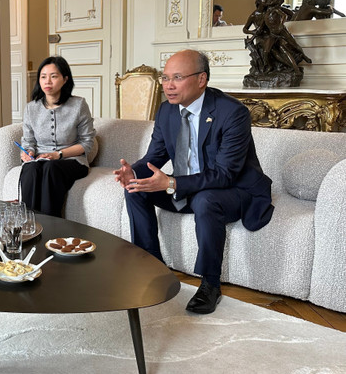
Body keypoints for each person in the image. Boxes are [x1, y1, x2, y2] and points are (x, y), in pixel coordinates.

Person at [112, 49, 274, 314]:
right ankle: (152, 267)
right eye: (165, 77)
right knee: (136, 188)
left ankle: (211, 284)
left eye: (177, 77)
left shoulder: (233, 113)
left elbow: (225, 174)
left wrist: (172, 183)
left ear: (201, 79)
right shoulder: (167, 111)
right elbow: (155, 155)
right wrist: (134, 171)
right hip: (188, 185)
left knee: (206, 199)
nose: (168, 85)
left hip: (235, 190)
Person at [18, 56, 96, 217]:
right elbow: (28, 141)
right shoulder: (31, 108)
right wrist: (28, 152)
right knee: (30, 169)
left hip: (72, 161)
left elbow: (87, 143)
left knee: (50, 168)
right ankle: (27, 223)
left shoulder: (79, 105)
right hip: (40, 160)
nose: (48, 81)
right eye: (43, 76)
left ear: (65, 79)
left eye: (54, 76)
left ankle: (50, 225)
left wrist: (58, 154)